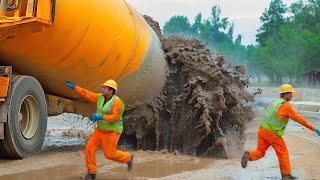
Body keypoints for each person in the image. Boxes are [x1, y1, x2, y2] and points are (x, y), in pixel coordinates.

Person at [241, 84, 320, 180]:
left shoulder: (275, 102)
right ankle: (286, 175)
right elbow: (299, 119)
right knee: (283, 151)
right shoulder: (286, 106)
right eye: (291, 93)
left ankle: (249, 155)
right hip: (272, 133)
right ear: (286, 94)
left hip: (262, 130)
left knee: (260, 152)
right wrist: (314, 129)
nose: (292, 95)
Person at [66, 79, 133, 180]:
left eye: (105, 88)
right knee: (89, 148)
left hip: (112, 131)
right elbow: (87, 94)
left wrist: (100, 117)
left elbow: (115, 117)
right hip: (100, 130)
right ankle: (92, 173)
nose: (103, 88)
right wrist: (75, 87)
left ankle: (128, 158)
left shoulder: (117, 102)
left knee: (110, 154)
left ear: (111, 90)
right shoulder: (100, 97)